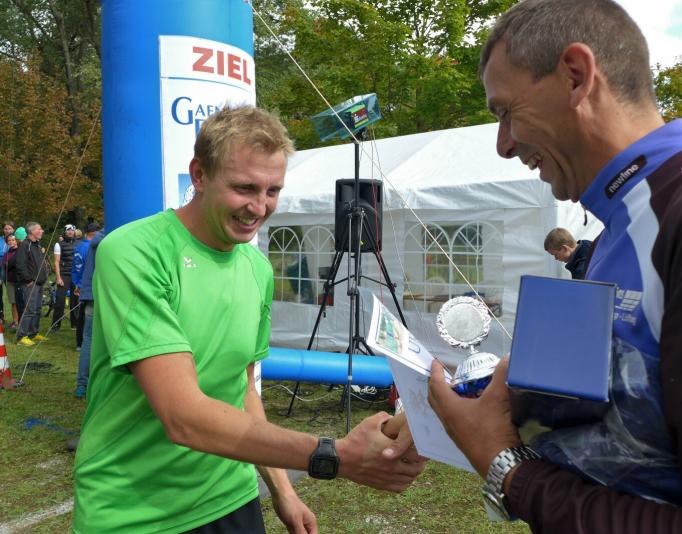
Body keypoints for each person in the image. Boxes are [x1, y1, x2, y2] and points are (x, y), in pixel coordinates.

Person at [427, 1, 682, 532]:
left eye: (506, 111)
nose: (504, 145)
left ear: (576, 77)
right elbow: (619, 434)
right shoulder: (617, 231)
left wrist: (508, 469)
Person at [73, 106, 425, 533]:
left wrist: (282, 490)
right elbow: (182, 417)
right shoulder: (135, 252)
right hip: (135, 513)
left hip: (231, 496)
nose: (259, 207)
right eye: (244, 188)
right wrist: (335, 455)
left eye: (272, 190)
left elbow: (242, 387)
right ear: (199, 175)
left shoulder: (256, 267)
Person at [72, 223, 102, 398]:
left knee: (88, 340)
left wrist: (81, 286)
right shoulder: (115, 237)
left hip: (90, 294)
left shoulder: (90, 244)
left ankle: (82, 383)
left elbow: (82, 268)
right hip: (108, 295)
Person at [15, 222, 50, 346]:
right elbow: (20, 265)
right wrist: (28, 280)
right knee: (29, 310)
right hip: (31, 283)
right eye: (39, 229)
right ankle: (21, 337)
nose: (42, 231)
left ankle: (33, 333)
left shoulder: (37, 244)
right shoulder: (25, 245)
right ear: (32, 232)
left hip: (39, 283)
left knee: (37, 309)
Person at [70, 226, 94, 351]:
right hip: (88, 285)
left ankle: (79, 343)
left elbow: (75, 267)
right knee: (87, 315)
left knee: (82, 314)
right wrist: (80, 285)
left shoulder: (79, 247)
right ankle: (84, 343)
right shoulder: (91, 248)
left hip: (80, 283)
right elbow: (87, 268)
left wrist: (76, 284)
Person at [52, 224, 79, 332]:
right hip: (64, 274)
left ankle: (75, 324)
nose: (70, 232)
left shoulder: (79, 243)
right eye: (68, 230)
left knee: (75, 300)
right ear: (65, 232)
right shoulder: (59, 244)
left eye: (72, 230)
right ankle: (56, 325)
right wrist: (58, 277)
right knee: (60, 300)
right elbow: (56, 262)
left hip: (75, 275)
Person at [3, 234, 20, 330]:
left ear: (16, 240)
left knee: (22, 302)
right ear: (7, 242)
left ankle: (23, 321)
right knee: (13, 302)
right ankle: (15, 321)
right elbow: (5, 265)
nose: (11, 242)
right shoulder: (7, 254)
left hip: (21, 281)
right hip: (10, 281)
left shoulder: (21, 251)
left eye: (13, 240)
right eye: (9, 240)